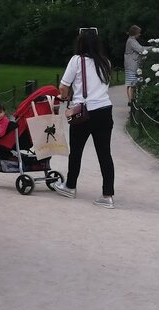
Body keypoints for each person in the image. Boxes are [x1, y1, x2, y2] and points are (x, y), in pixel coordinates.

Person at [52, 27, 116, 208]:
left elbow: (63, 87)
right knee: (105, 153)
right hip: (104, 110)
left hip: (83, 113)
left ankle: (70, 186)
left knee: (77, 151)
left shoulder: (76, 61)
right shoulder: (106, 62)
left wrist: (65, 97)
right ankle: (107, 195)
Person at [124, 24, 148, 107]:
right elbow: (140, 49)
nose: (140, 34)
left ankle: (131, 100)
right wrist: (152, 48)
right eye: (139, 33)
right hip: (132, 65)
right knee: (131, 83)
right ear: (135, 33)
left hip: (130, 65)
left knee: (131, 83)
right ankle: (131, 101)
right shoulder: (132, 41)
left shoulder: (131, 40)